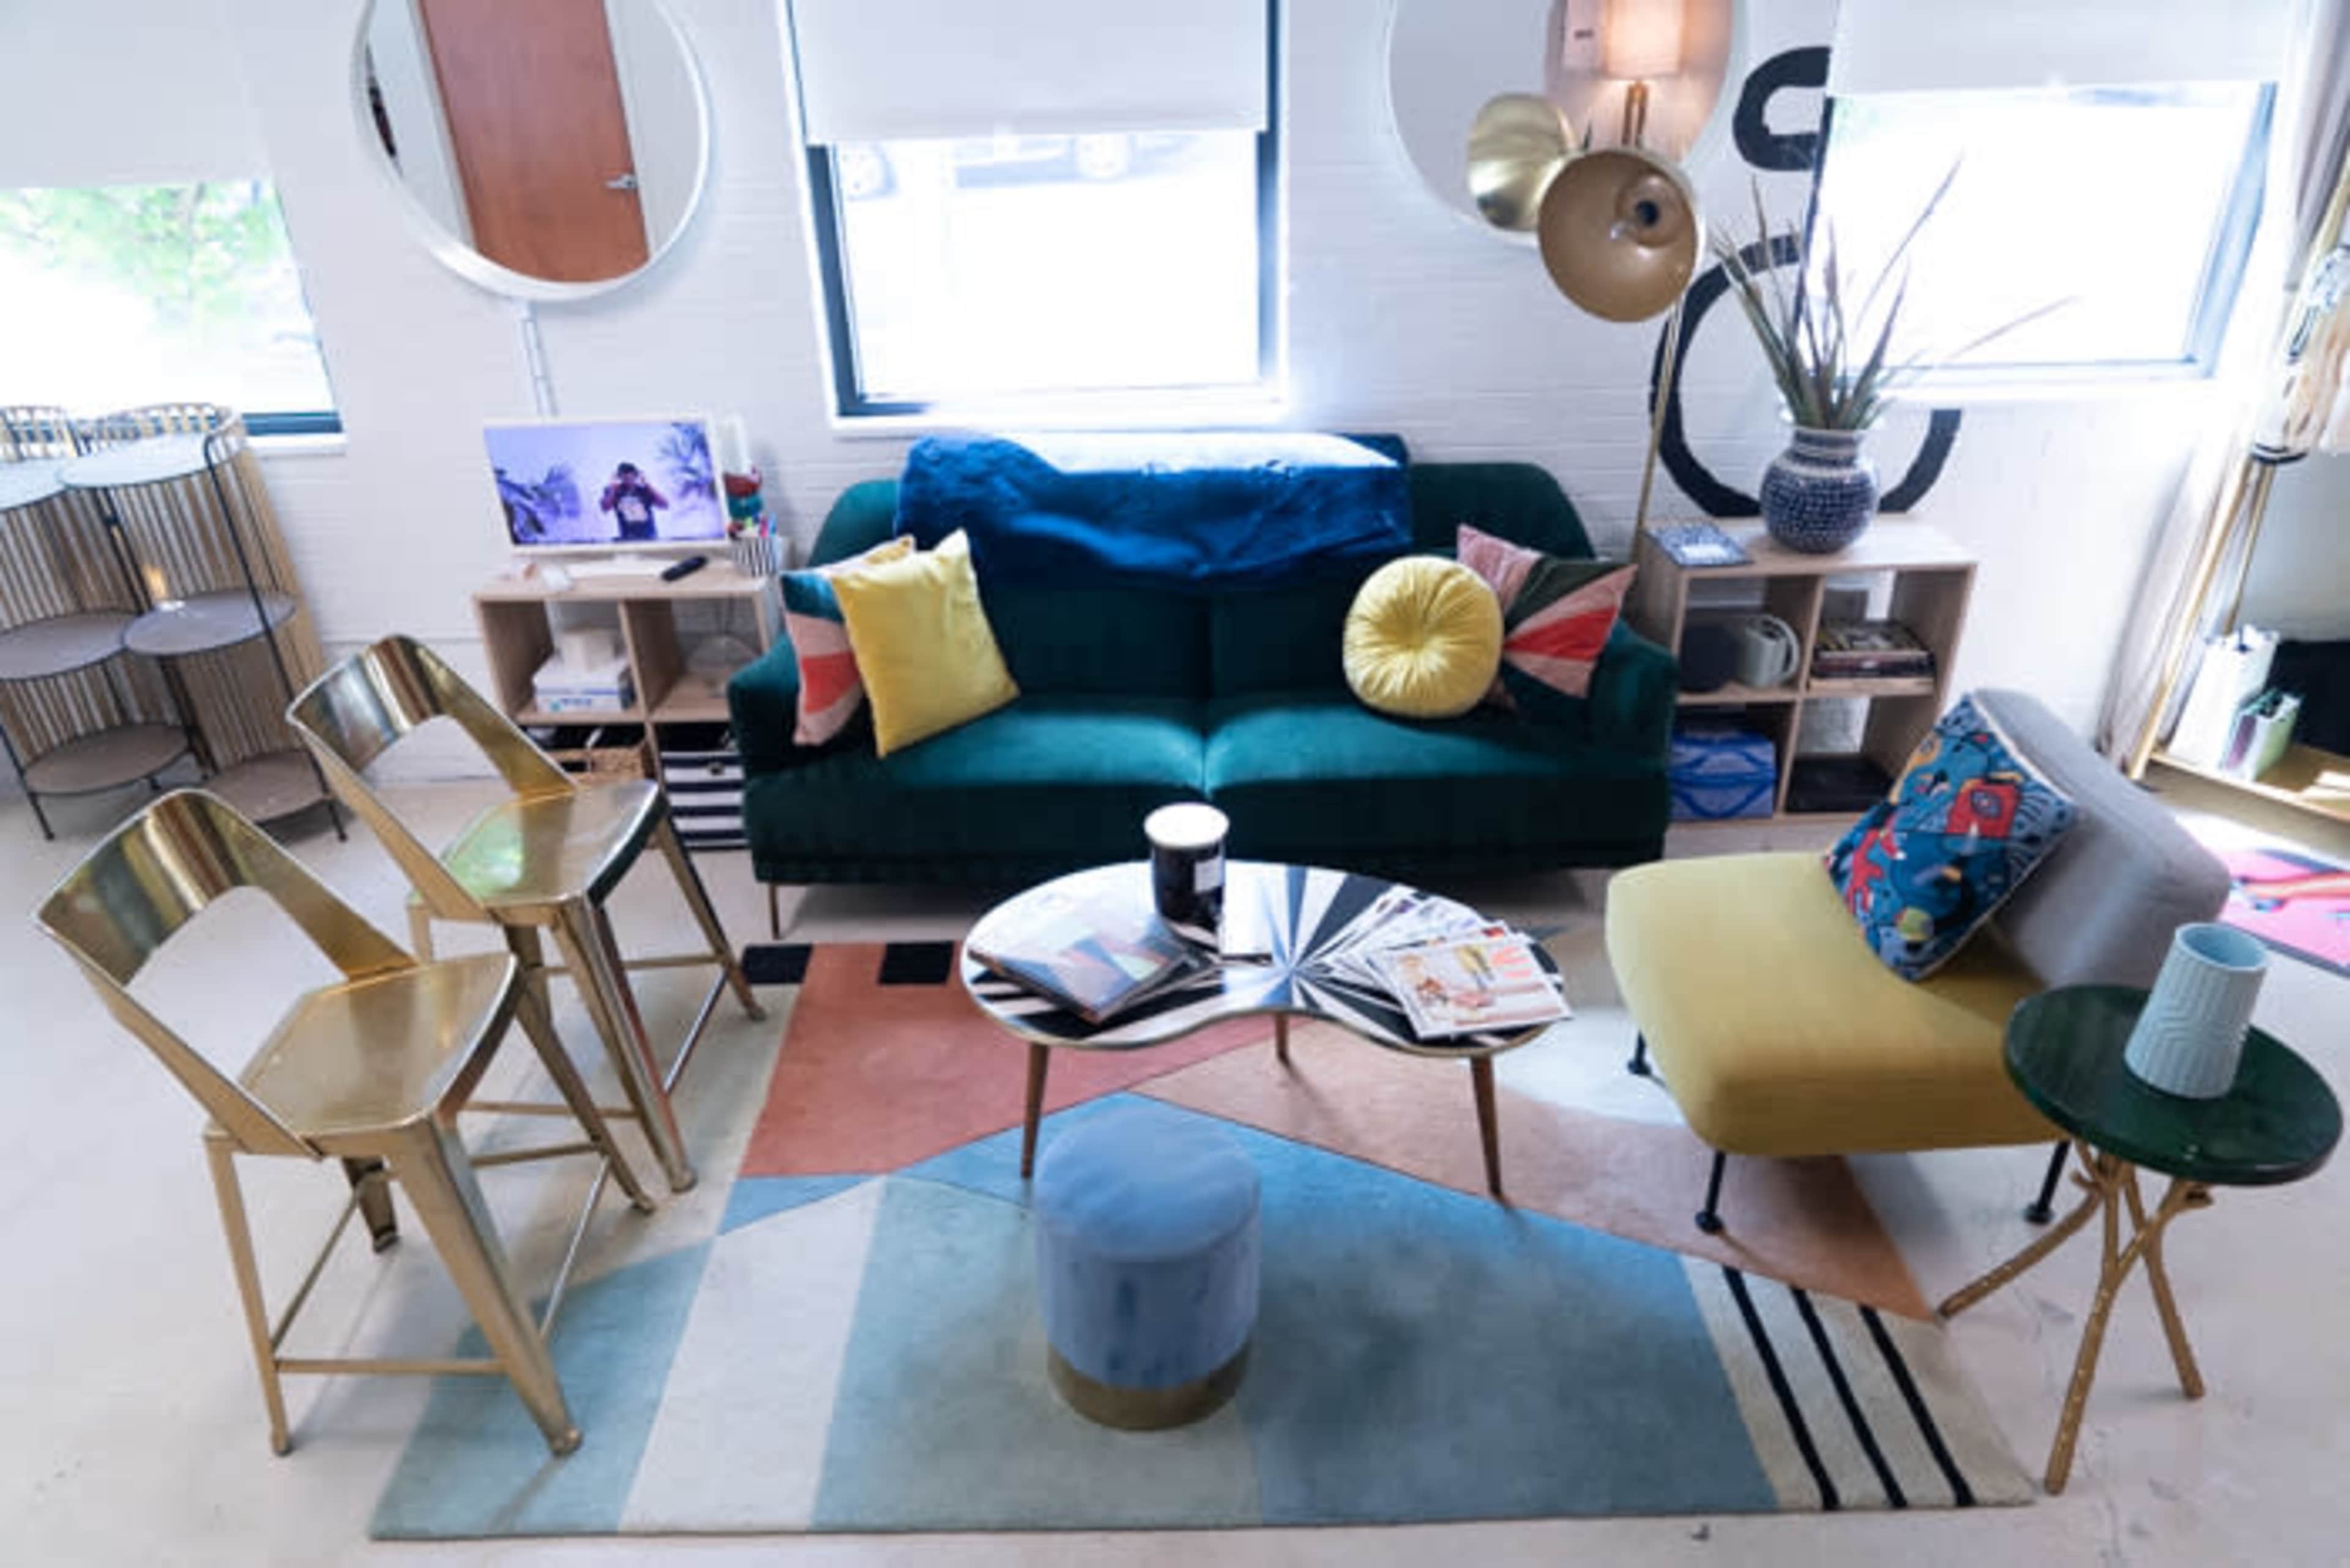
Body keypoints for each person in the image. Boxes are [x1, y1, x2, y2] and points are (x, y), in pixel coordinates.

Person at [599, 461, 670, 542]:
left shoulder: (645, 490)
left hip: (649, 536)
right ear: (620, 476)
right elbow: (605, 508)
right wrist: (612, 486)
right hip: (627, 537)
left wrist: (647, 484)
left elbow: (665, 505)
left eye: (630, 474)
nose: (628, 477)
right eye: (624, 474)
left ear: (636, 475)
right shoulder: (615, 491)